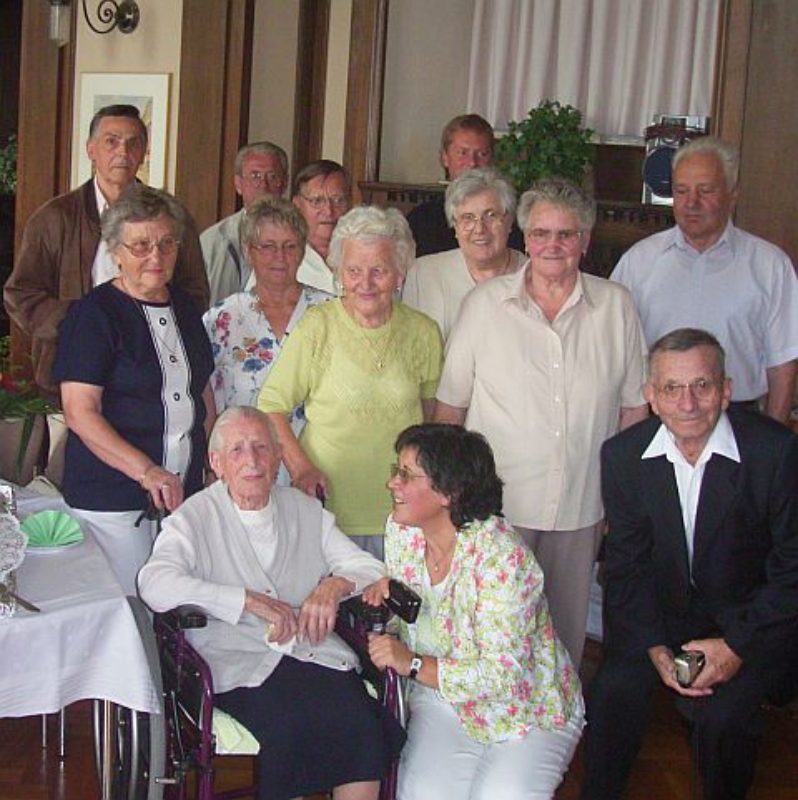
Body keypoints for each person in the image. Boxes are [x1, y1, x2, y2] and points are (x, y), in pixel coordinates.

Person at [138, 407, 404, 800]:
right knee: (292, 725)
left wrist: (333, 586)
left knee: (360, 720)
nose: (252, 461)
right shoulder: (193, 517)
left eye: (262, 448)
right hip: (236, 659)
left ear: (279, 457)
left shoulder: (305, 511)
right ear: (216, 462)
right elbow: (155, 584)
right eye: (238, 450)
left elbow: (368, 567)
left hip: (314, 652)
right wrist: (245, 601)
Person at [435, 178, 648, 666]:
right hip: (497, 509)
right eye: (542, 233)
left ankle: (557, 733)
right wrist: (449, 500)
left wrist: (624, 495)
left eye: (567, 234)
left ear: (585, 241)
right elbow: (450, 411)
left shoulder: (616, 306)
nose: (553, 244)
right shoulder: (485, 306)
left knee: (564, 642)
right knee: (492, 635)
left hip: (581, 503)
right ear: (525, 238)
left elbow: (634, 411)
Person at [581, 328, 798, 800]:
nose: (688, 402)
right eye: (672, 389)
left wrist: (736, 645)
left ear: (726, 390)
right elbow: (626, 566)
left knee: (725, 719)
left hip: (748, 621)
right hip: (660, 618)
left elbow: (791, 569)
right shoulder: (623, 456)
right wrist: (654, 646)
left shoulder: (774, 452)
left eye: (702, 385)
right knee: (612, 693)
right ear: (651, 397)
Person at [365, 423, 583, 800]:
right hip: (445, 701)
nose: (392, 484)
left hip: (527, 710)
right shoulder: (403, 532)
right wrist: (385, 591)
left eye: (406, 475)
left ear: (450, 492)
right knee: (421, 795)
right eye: (396, 471)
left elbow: (502, 677)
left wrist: (412, 663)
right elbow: (426, 611)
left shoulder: (502, 559)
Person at [52, 184, 215, 595]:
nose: (155, 257)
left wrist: (212, 463)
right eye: (140, 246)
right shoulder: (93, 316)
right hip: (114, 501)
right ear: (116, 251)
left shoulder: (184, 307)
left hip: (184, 497)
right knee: (130, 612)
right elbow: (80, 412)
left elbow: (202, 392)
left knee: (178, 610)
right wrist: (146, 472)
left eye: (166, 243)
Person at [258, 206, 443, 558]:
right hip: (328, 509)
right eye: (354, 270)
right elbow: (271, 407)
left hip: (404, 511)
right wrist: (302, 469)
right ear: (339, 273)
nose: (365, 283)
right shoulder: (318, 327)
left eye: (379, 270)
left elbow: (432, 421)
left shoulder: (423, 332)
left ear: (400, 273)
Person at [4, 104, 209, 398]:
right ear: (91, 149)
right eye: (111, 141)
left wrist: (152, 325)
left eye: (133, 142)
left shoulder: (172, 216)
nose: (122, 152)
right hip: (72, 371)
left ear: (144, 151)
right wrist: (81, 322)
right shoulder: (55, 217)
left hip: (152, 373)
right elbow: (21, 294)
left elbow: (196, 292)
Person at [612, 136, 798, 425]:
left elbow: (783, 364)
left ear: (732, 194)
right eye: (682, 191)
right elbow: (614, 353)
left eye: (705, 190)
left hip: (739, 420)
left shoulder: (770, 266)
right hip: (657, 417)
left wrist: (774, 442)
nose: (691, 203)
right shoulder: (638, 262)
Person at [203, 197, 331, 485]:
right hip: (245, 471)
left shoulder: (329, 312)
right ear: (249, 251)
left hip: (317, 470)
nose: (280, 257)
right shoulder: (222, 319)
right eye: (268, 247)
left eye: (290, 246)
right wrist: (211, 466)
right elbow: (207, 399)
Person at [403, 168, 524, 341]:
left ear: (509, 221)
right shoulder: (423, 274)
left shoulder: (533, 276)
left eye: (490, 215)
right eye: (468, 218)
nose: (480, 229)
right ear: (455, 226)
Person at [405, 114, 524, 257]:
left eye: (482, 154)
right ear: (445, 158)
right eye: (463, 153)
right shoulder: (421, 220)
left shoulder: (509, 219)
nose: (472, 163)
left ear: (492, 159)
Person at [201, 141, 289, 305]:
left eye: (272, 176)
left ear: (284, 183)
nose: (263, 185)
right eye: (255, 176)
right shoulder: (212, 240)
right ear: (238, 184)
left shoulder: (298, 238)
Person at [246, 159, 351, 297]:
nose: (328, 210)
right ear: (297, 204)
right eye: (317, 201)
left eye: (338, 200)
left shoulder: (363, 254)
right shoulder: (278, 260)